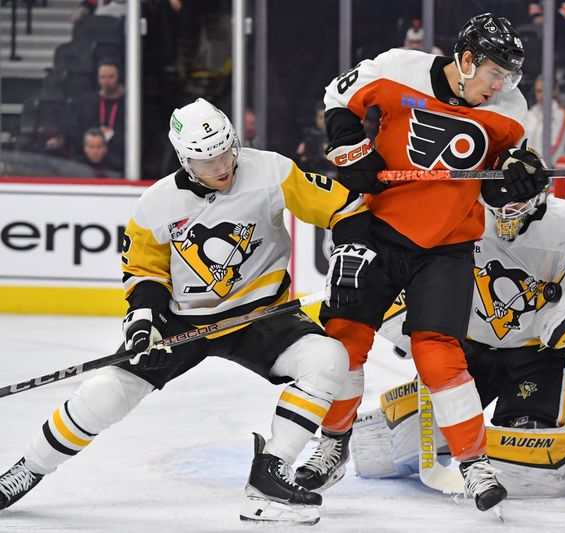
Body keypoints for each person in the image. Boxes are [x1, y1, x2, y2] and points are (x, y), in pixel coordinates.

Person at [0, 98, 366, 525]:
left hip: (262, 314)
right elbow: (143, 273)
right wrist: (144, 325)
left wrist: (352, 252)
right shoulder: (156, 204)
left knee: (329, 359)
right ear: (184, 158)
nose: (221, 165)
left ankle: (270, 474)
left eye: (226, 151)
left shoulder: (272, 172)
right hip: (182, 320)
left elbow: (344, 209)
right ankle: (26, 469)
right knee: (105, 393)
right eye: (206, 159)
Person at [293, 13, 545, 513]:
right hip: (375, 232)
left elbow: (501, 185)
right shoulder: (397, 68)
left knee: (438, 352)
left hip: (447, 245)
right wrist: (348, 143)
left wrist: (518, 179)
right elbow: (337, 97)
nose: (501, 86)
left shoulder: (510, 110)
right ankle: (333, 442)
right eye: (496, 72)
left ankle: (474, 463)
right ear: (467, 60)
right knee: (344, 338)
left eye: (510, 77)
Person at [360, 181, 565, 497]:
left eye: (514, 206)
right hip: (467, 347)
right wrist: (417, 316)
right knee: (422, 432)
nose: (504, 215)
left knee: (523, 450)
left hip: (540, 355)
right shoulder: (460, 212)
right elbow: (411, 262)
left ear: (537, 196)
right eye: (496, 205)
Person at [66, 60, 127, 164]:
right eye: (102, 77)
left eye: (111, 77)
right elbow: (75, 131)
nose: (106, 81)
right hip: (86, 162)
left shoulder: (129, 104)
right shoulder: (87, 103)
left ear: (119, 78)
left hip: (120, 162)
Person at [522, 75, 565, 164]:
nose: (541, 95)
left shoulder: (560, 114)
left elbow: (556, 146)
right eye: (538, 91)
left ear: (553, 91)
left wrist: (540, 165)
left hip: (551, 169)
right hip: (530, 167)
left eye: (545, 91)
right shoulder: (530, 113)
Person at [295, 101, 336, 175]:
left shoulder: (338, 138)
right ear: (315, 118)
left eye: (326, 117)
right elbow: (300, 161)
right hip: (313, 174)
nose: (323, 121)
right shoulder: (309, 137)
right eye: (320, 117)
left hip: (333, 176)